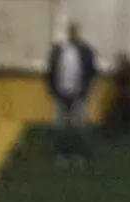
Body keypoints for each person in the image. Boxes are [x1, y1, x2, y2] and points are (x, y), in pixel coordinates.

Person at [45, 22, 97, 165]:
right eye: (71, 31)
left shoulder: (86, 50)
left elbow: (92, 71)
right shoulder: (59, 50)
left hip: (79, 94)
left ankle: (79, 154)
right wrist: (53, 90)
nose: (73, 34)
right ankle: (61, 154)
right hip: (61, 94)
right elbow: (50, 71)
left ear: (78, 33)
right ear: (68, 33)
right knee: (61, 125)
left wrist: (86, 90)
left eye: (75, 31)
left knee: (78, 125)